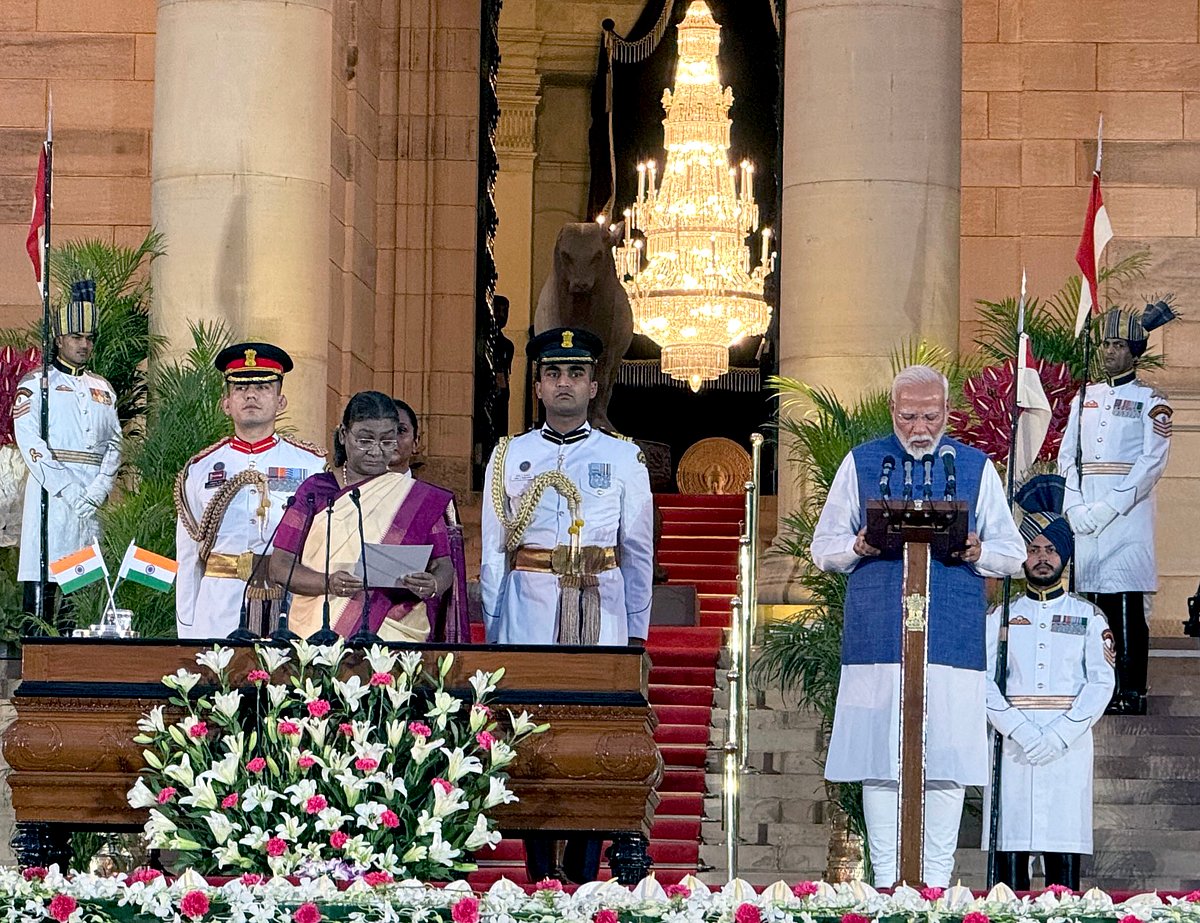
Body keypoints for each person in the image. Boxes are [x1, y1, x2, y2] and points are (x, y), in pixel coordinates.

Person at [810, 364, 1025, 888]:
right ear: (892, 411)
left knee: (948, 757)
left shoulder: (976, 467)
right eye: (908, 417)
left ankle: (935, 882)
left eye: (930, 416)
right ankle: (887, 884)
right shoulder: (860, 463)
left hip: (950, 639)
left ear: (948, 413)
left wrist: (979, 549)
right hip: (878, 639)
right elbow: (823, 548)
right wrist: (857, 546)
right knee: (879, 757)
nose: (920, 428)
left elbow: (1013, 552)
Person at [480, 326, 654, 883]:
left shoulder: (623, 457)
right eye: (552, 373)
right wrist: (493, 626)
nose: (563, 384)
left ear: (593, 385)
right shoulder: (511, 455)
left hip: (598, 605)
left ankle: (582, 869)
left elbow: (637, 550)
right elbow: (492, 549)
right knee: (532, 735)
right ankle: (538, 872)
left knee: (595, 733)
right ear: (537, 386)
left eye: (575, 374)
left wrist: (635, 632)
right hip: (529, 606)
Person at [983, 474, 1115, 892]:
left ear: (1065, 558)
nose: (1042, 558)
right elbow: (982, 680)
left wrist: (1059, 735)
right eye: (1033, 549)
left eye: (1050, 550)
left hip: (1067, 748)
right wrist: (1017, 728)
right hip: (1012, 745)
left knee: (1063, 859)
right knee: (1009, 863)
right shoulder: (998, 617)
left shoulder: (1088, 617)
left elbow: (1100, 682)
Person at [268, 390, 468, 642]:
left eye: (387, 441)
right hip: (321, 628)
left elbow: (444, 564)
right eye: (365, 440)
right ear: (343, 435)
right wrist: (328, 583)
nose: (376, 451)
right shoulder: (316, 491)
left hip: (397, 631)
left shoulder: (416, 497)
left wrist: (433, 584)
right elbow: (279, 567)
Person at [1057, 302, 1177, 715]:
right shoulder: (1083, 397)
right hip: (1084, 510)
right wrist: (1073, 506)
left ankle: (1130, 689)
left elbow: (1151, 463)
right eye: (1105, 344)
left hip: (1127, 518)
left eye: (1117, 345)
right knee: (1089, 599)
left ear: (1134, 351)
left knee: (1124, 599)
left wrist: (1108, 508)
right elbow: (1066, 457)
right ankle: (1095, 686)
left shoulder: (1151, 401)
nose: (1108, 352)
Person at [175, 342, 325, 638]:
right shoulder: (200, 468)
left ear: (281, 401)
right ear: (226, 402)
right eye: (240, 389)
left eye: (263, 387)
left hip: (290, 601)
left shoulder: (312, 466)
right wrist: (188, 628)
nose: (251, 395)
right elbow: (189, 555)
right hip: (220, 604)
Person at [13, 280, 121, 617]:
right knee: (44, 580)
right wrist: (69, 490)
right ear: (60, 339)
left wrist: (100, 489)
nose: (84, 345)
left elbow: (116, 444)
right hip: (52, 495)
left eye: (89, 338)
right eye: (77, 337)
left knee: (82, 587)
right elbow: (30, 442)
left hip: (92, 496)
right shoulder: (36, 384)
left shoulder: (102, 388)